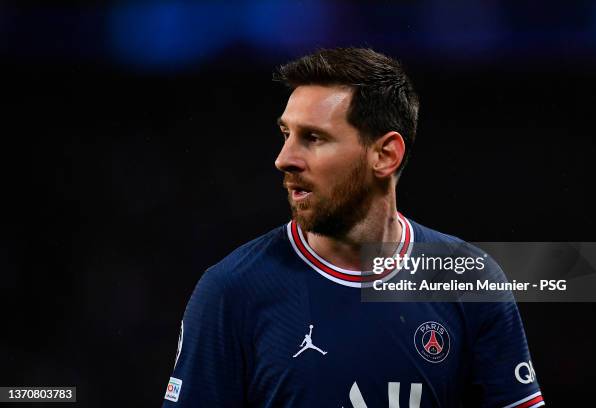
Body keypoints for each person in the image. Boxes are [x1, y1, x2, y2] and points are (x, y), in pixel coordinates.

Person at [162, 48, 544, 407]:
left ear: (385, 154)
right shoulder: (232, 292)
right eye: (286, 134)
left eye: (313, 138)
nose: (284, 159)